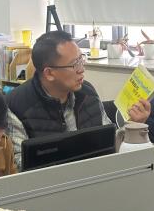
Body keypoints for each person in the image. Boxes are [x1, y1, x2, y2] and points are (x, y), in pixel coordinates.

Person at [6, 30, 111, 168]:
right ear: (49, 73)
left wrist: (132, 125)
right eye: (74, 64)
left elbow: (109, 139)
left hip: (94, 174)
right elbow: (19, 165)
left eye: (81, 60)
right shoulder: (17, 105)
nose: (81, 69)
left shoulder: (87, 92)